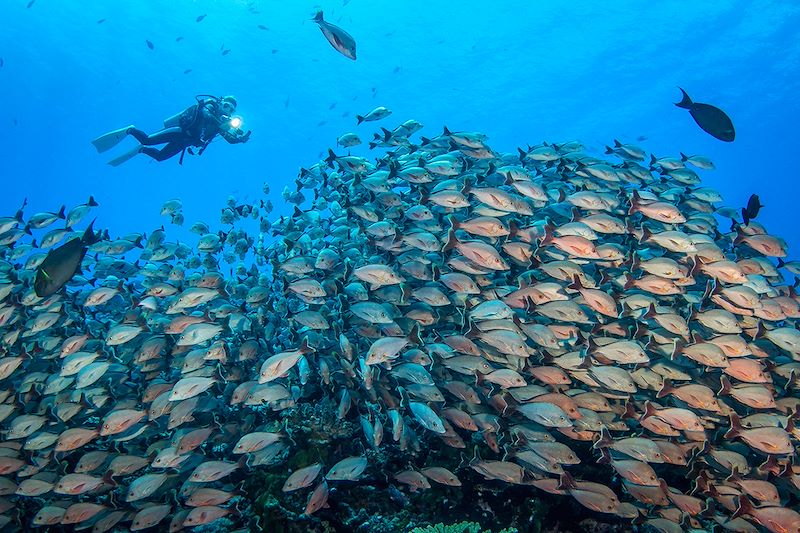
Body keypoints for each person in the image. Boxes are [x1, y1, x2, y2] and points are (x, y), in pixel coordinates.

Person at [91, 95, 252, 166]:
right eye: (226, 105)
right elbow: (204, 114)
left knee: (160, 157)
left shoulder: (222, 126)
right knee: (147, 139)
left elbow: (230, 140)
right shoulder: (210, 105)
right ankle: (130, 130)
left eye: (230, 109)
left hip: (185, 143)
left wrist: (240, 139)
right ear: (221, 103)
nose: (227, 109)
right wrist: (221, 123)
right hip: (180, 132)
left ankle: (141, 150)